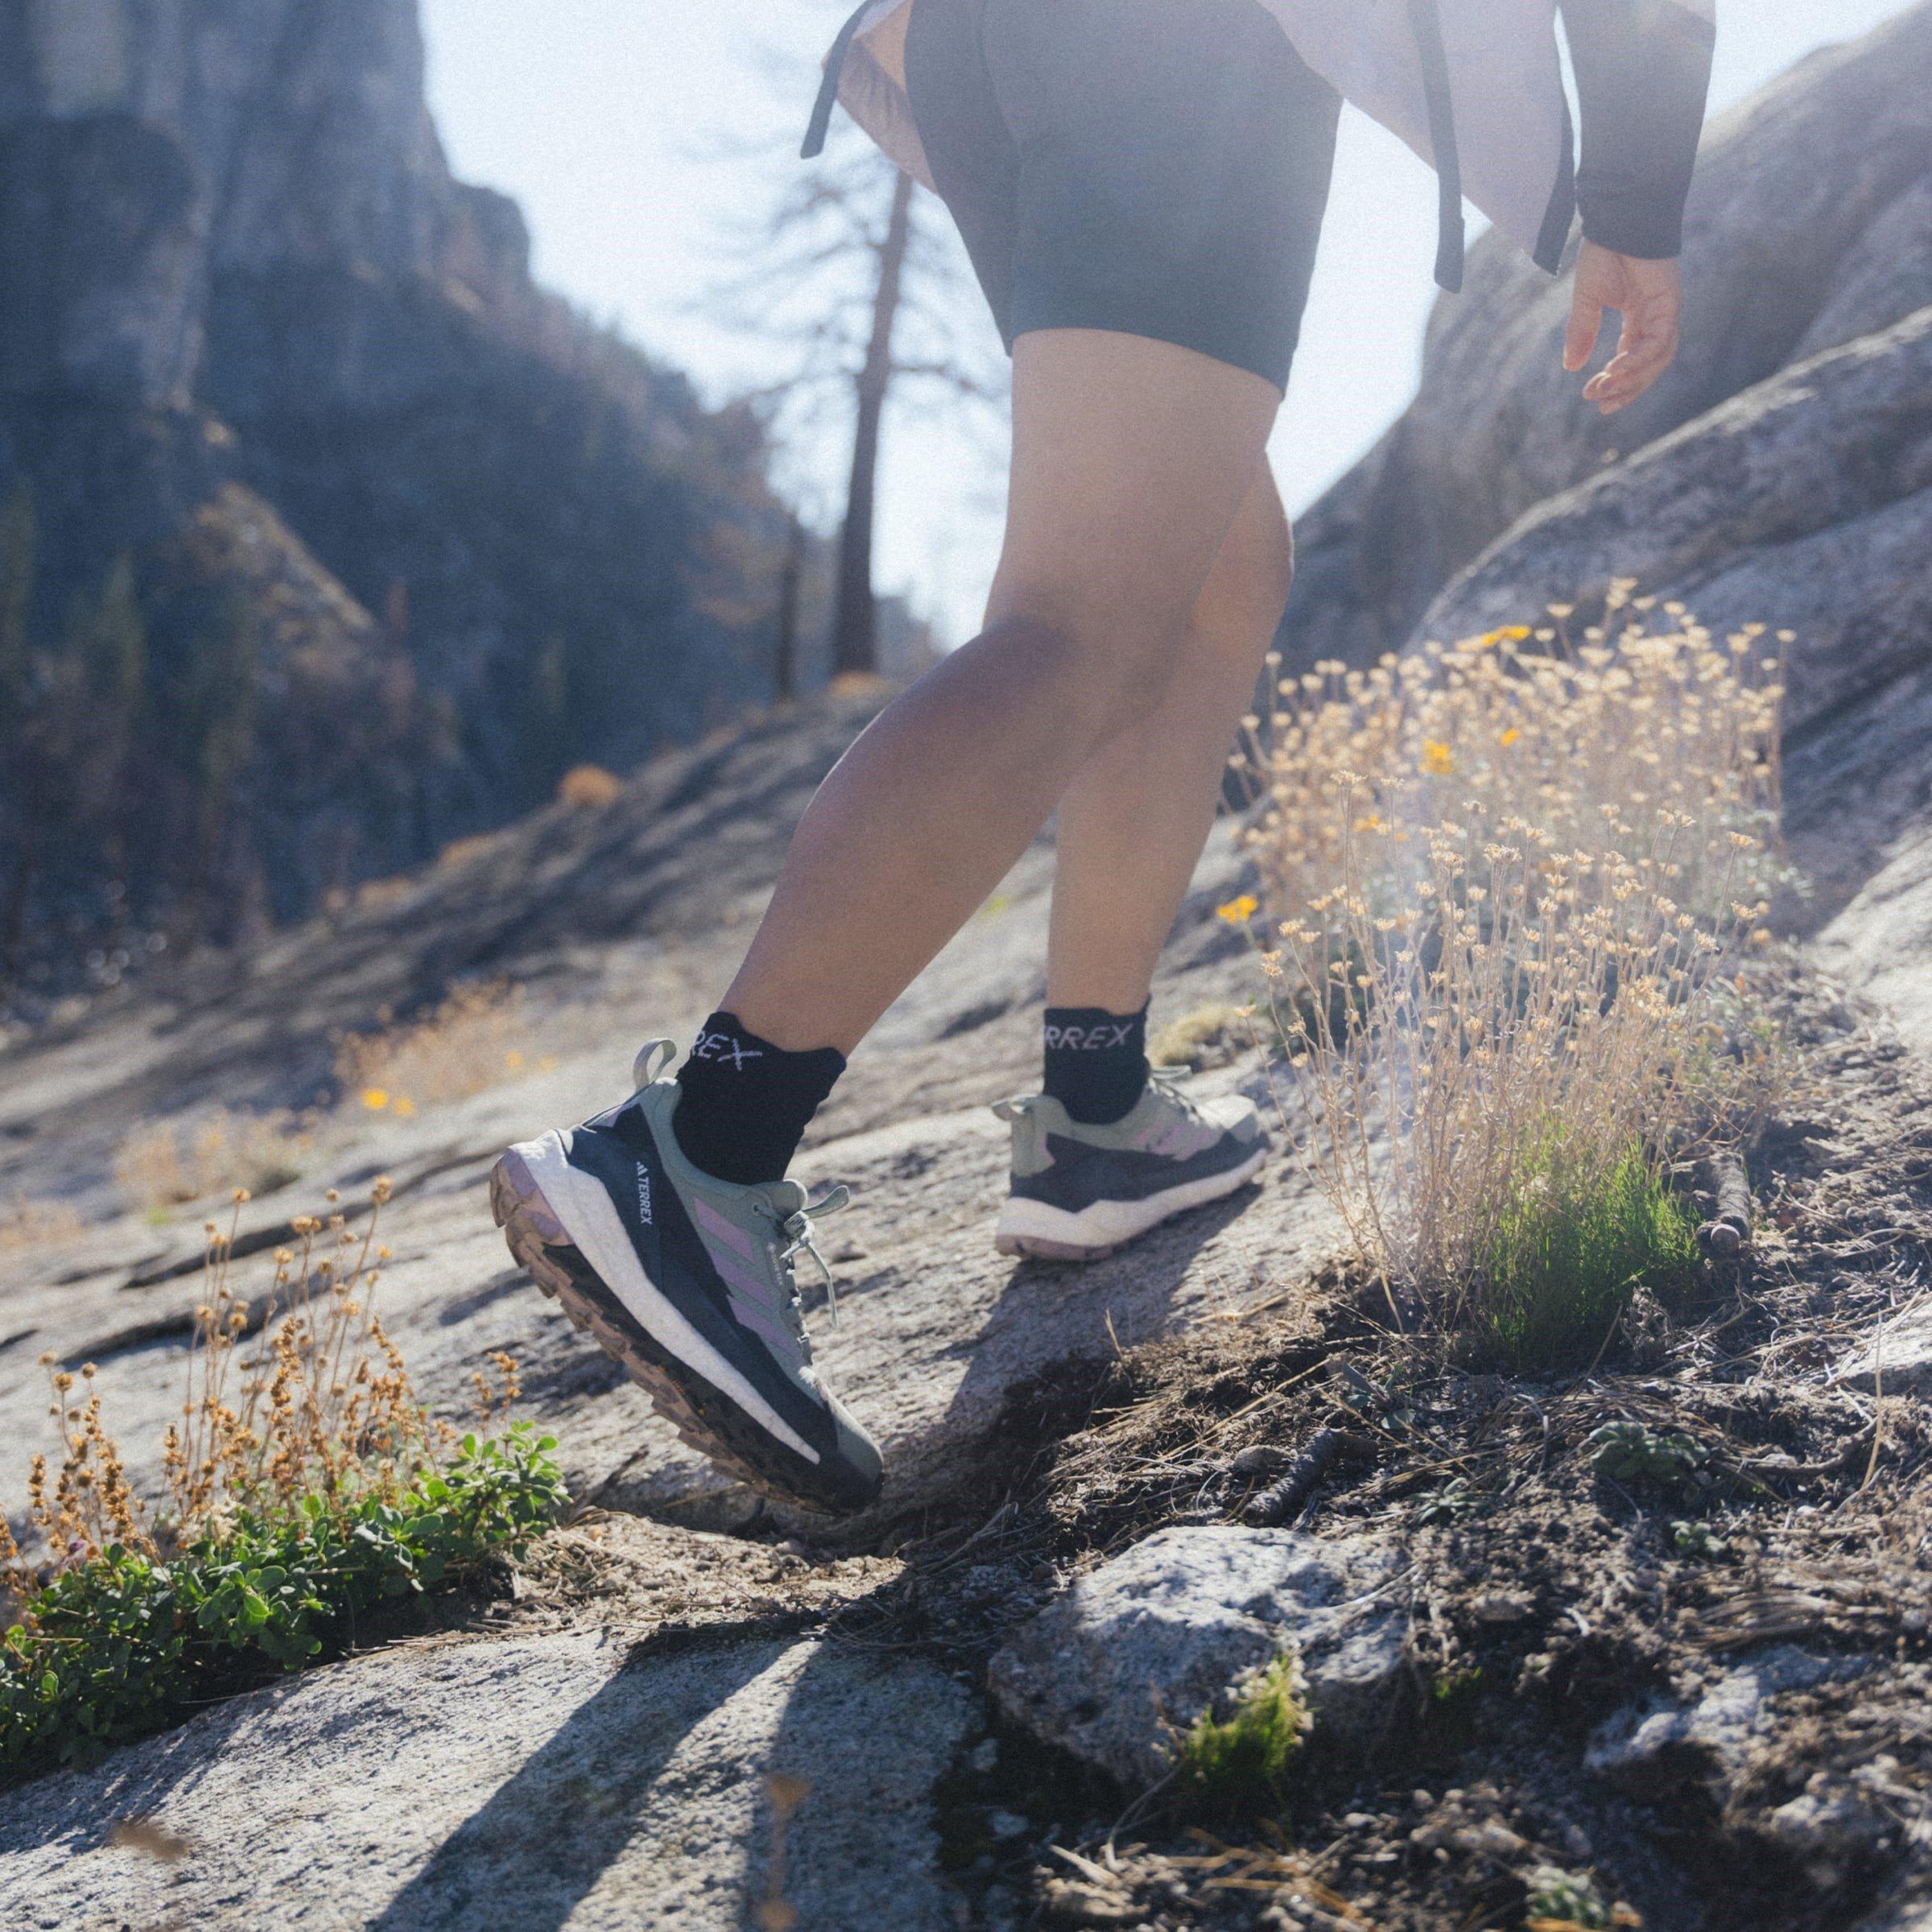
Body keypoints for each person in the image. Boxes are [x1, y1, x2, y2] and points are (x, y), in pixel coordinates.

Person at [491, 0, 1715, 1515]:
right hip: (1189, 51)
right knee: (1083, 619)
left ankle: (1100, 1112)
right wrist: (1642, 195)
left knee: (1210, 572)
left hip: (996, 41)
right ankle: (693, 1157)